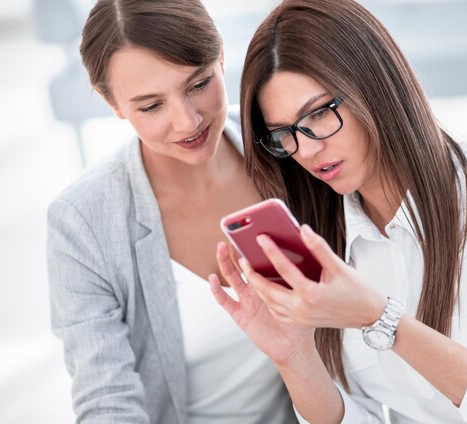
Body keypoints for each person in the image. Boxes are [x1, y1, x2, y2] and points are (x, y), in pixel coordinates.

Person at [208, 0, 467, 422]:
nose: (307, 149)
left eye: (319, 113)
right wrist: (294, 358)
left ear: (373, 83)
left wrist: (380, 318)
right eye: (284, 134)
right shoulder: (325, 237)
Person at [46, 0, 297, 422]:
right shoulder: (82, 221)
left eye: (198, 84)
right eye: (150, 106)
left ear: (220, 56)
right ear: (112, 103)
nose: (187, 122)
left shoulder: (288, 149)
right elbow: (106, 399)